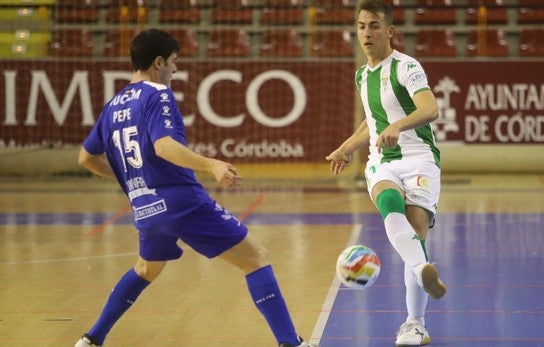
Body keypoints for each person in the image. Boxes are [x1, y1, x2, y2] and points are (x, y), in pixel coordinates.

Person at [75, 28, 315, 347]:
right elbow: (163, 146)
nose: (176, 69)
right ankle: (290, 343)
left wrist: (134, 182)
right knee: (255, 257)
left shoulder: (112, 106)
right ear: (158, 62)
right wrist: (211, 165)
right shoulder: (157, 94)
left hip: (145, 207)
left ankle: (91, 340)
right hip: (181, 201)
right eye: (174, 61)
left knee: (146, 268)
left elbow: (85, 159)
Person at [325, 1, 447, 346]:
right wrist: (346, 147)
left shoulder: (407, 67)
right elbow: (372, 121)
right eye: (362, 26)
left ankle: (415, 324)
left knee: (417, 227)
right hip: (383, 160)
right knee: (389, 202)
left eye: (374, 26)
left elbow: (430, 108)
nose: (367, 33)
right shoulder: (361, 74)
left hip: (420, 156)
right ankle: (422, 271)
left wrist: (399, 124)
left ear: (390, 31)